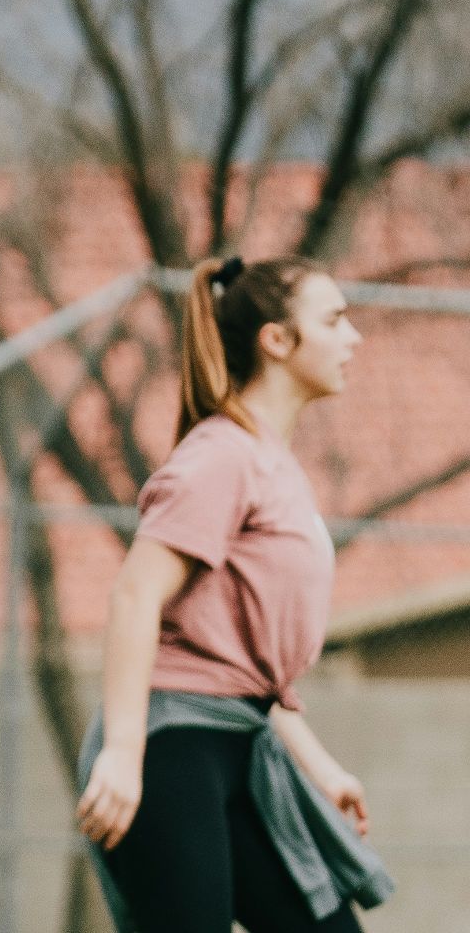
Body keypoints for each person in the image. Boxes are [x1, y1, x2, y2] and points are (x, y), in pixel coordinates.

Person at [75, 257, 394, 932]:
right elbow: (136, 595)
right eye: (334, 320)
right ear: (276, 341)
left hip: (242, 743)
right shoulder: (221, 454)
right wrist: (125, 752)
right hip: (172, 747)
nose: (353, 338)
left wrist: (319, 764)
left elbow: (236, 659)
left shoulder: (270, 459)